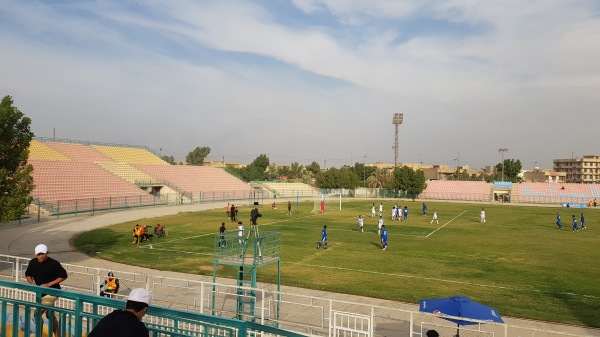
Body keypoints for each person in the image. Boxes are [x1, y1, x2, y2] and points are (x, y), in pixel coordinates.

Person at [25, 244, 68, 337]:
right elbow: (28, 275)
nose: (41, 256)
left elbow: (63, 275)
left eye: (43, 254)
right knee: (50, 315)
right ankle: (57, 334)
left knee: (37, 312)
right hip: (41, 293)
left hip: (53, 292)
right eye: (39, 254)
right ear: (35, 254)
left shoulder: (54, 263)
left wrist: (48, 284)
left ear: (47, 253)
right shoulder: (32, 263)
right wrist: (34, 285)